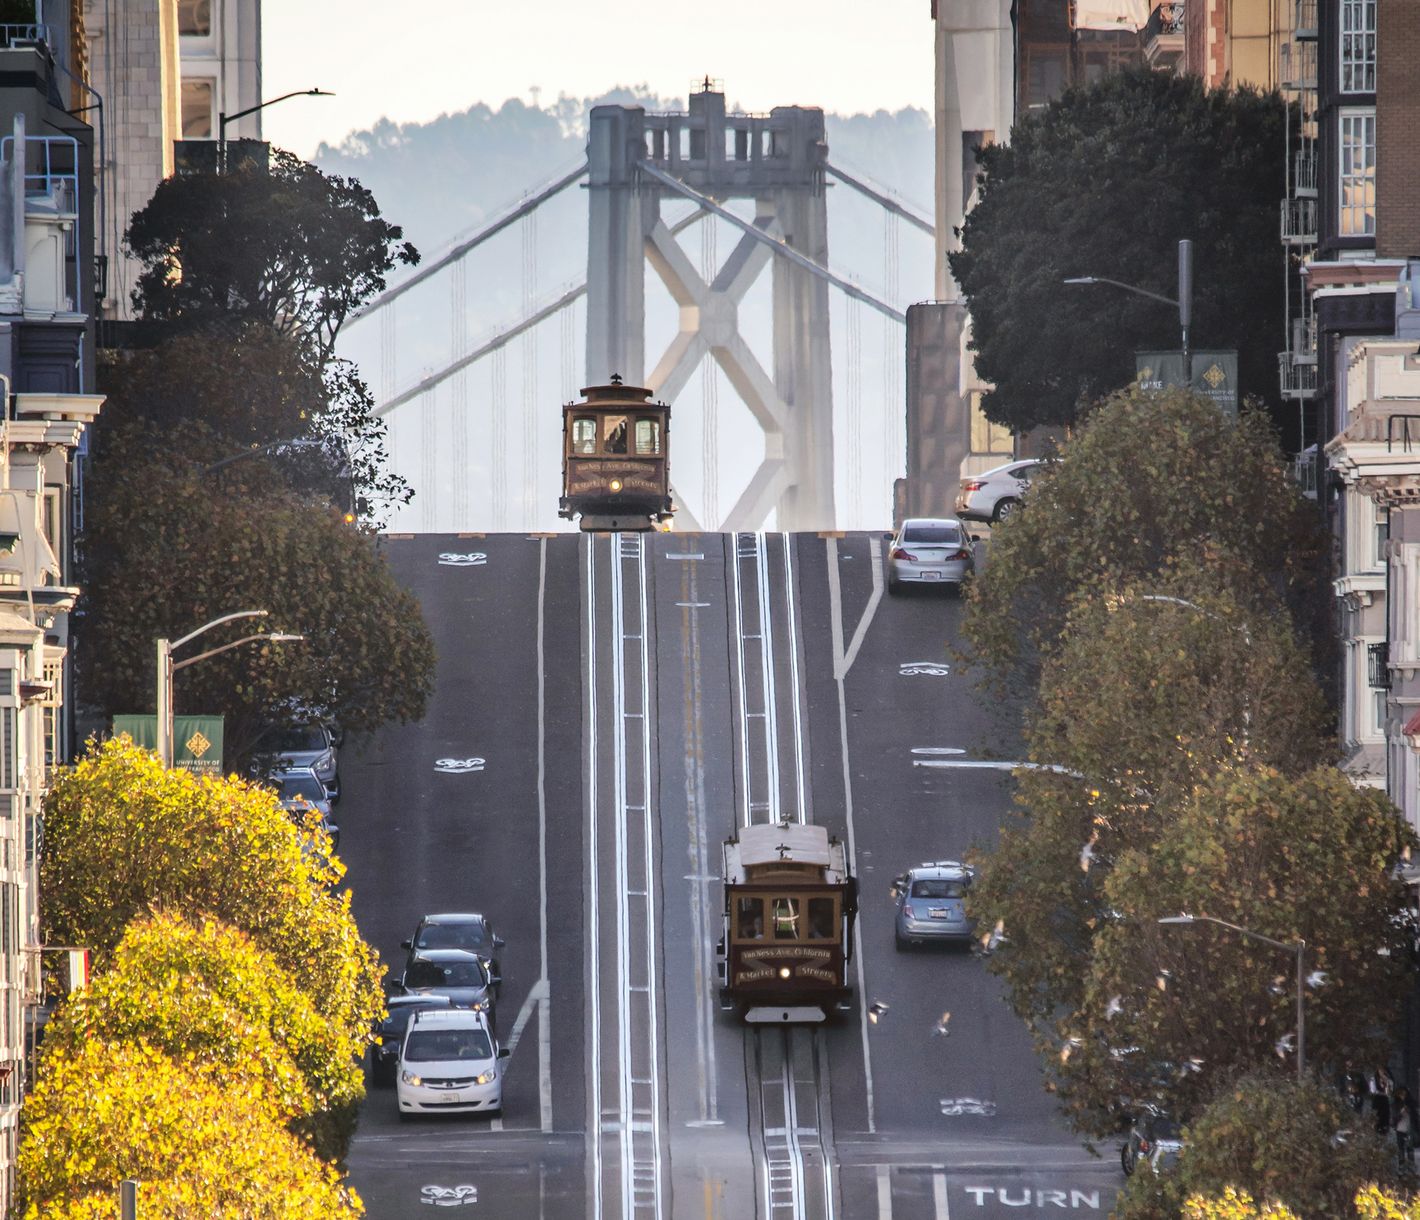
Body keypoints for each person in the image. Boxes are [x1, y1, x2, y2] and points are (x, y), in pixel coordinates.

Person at [1395, 1084, 1418, 1175]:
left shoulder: (1411, 1103)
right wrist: (1401, 1113)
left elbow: (1415, 1116)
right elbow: (1394, 1119)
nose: (1402, 1096)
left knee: (1410, 1149)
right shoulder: (1396, 1104)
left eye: (1404, 1094)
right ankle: (1401, 1168)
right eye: (1401, 1094)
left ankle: (1411, 1168)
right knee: (1401, 1150)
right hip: (1400, 1129)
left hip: (1409, 1130)